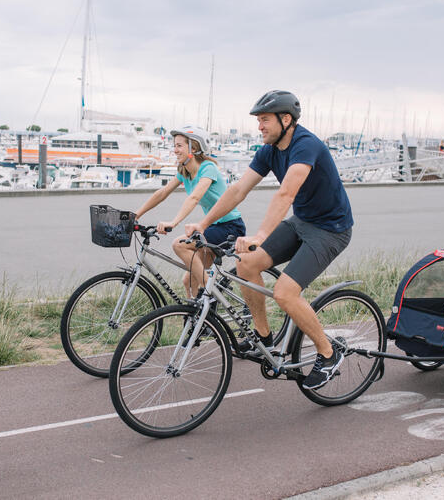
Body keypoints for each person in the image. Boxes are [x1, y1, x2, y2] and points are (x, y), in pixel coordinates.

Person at [185, 90, 354, 389]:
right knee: (247, 264)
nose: (259, 126)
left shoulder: (306, 146)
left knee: (285, 292)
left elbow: (286, 193)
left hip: (331, 229)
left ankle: (328, 353)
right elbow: (238, 190)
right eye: (258, 120)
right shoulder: (269, 150)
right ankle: (264, 338)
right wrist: (203, 223)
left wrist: (261, 235)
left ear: (285, 119)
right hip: (302, 222)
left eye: (264, 120)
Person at [135, 124, 245, 298]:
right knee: (189, 281)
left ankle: (211, 293)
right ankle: (200, 321)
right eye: (174, 146)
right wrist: (136, 215)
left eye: (179, 145)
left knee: (180, 245)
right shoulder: (184, 172)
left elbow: (194, 197)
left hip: (230, 227)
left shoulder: (208, 168)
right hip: (212, 228)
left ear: (193, 147)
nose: (175, 150)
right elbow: (162, 193)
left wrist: (173, 222)